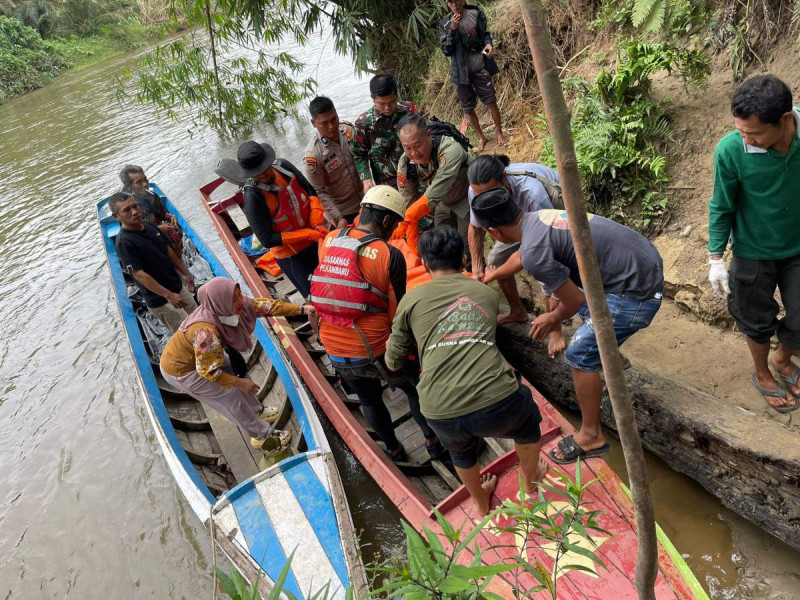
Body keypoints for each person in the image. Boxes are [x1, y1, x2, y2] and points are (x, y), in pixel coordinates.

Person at [472, 191, 664, 464]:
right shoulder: (534, 220)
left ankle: (591, 435)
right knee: (571, 305)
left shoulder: (535, 252)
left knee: (579, 354)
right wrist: (495, 273)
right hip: (643, 266)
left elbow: (574, 300)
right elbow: (522, 256)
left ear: (493, 231)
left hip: (636, 295)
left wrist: (551, 319)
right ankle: (609, 353)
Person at [385, 228, 547, 515]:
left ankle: (481, 503)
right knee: (527, 425)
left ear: (424, 263)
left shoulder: (409, 300)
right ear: (463, 259)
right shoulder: (484, 292)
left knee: (460, 451)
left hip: (439, 410)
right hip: (500, 402)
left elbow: (393, 363)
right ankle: (532, 482)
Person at [309, 185, 444, 462]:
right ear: (386, 221)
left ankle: (393, 449)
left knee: (369, 400)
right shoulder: (389, 254)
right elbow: (399, 313)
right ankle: (432, 442)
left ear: (362, 212)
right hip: (375, 348)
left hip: (334, 348)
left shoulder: (331, 239)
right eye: (394, 223)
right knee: (414, 387)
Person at [708, 74, 800, 413]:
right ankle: (763, 374)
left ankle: (783, 358)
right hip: (752, 251)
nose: (744, 137)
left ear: (785, 120)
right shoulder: (731, 149)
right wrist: (716, 255)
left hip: (797, 246)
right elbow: (721, 204)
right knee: (755, 318)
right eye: (740, 129)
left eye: (754, 132)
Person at [160, 277, 314, 449]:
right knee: (231, 395)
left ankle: (257, 410)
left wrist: (301, 309)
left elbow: (267, 307)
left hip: (204, 359)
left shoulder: (225, 306)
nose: (241, 301)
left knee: (237, 368)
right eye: (234, 299)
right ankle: (263, 435)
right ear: (221, 302)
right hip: (181, 370)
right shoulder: (206, 333)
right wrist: (239, 383)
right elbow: (208, 372)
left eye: (239, 295)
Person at [468, 155, 562, 340]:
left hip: (551, 217)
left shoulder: (532, 193)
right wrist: (477, 268)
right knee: (496, 260)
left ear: (504, 178)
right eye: (481, 196)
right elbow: (475, 227)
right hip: (514, 223)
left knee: (545, 271)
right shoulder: (476, 190)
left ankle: (555, 327)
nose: (484, 199)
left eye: (491, 193)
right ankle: (517, 312)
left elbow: (546, 239)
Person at [237, 140, 329, 298]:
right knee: (314, 297)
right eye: (257, 173)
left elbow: (309, 189)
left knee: (334, 281)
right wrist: (307, 234)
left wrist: (316, 219)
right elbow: (267, 239)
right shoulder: (253, 197)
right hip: (291, 254)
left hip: (315, 236)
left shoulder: (284, 167)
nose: (263, 174)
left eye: (265, 168)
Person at [111, 192, 197, 332]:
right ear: (116, 216)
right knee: (189, 333)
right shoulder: (124, 242)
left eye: (135, 206)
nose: (134, 212)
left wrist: (185, 273)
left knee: (201, 319)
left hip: (178, 286)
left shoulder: (148, 225)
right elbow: (139, 274)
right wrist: (168, 295)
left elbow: (168, 250)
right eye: (127, 210)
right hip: (162, 300)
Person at [395, 113, 473, 249]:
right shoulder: (405, 163)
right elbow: (406, 201)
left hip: (467, 197)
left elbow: (435, 191)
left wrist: (409, 216)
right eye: (407, 148)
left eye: (417, 145)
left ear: (428, 135)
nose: (414, 153)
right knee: (442, 247)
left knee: (467, 249)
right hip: (443, 201)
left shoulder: (450, 151)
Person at [440, 0, 506, 150]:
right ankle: (482, 138)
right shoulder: (445, 23)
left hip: (479, 67)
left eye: (456, 0)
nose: (454, 4)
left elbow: (485, 35)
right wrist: (452, 29)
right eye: (450, 2)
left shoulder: (475, 13)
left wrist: (489, 45)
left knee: (490, 101)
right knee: (468, 108)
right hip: (461, 74)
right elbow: (446, 51)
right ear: (447, 3)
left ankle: (499, 132)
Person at [303, 96, 363, 227]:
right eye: (324, 123)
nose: (331, 126)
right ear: (313, 123)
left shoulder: (348, 131)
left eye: (334, 119)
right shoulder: (313, 155)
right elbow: (319, 191)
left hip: (366, 199)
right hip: (343, 212)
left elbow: (362, 158)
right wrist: (337, 218)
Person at [353, 74, 418, 192]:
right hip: (388, 183)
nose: (387, 108)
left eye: (392, 102)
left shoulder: (408, 110)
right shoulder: (364, 123)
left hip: (415, 173)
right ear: (373, 99)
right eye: (381, 104)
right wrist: (366, 179)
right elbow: (359, 155)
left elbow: (421, 137)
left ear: (396, 96)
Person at [119, 164, 182, 248]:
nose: (145, 184)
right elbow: (134, 234)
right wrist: (158, 229)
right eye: (139, 182)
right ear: (129, 187)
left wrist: (171, 216)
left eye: (145, 179)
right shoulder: (130, 208)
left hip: (160, 233)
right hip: (145, 242)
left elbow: (161, 214)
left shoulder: (152, 195)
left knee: (178, 241)